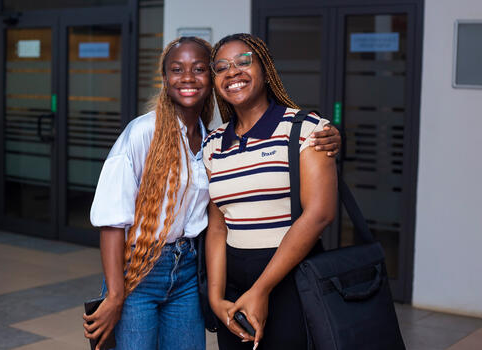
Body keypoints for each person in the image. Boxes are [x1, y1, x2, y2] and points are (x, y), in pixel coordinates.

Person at [83, 36, 341, 350]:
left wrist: (329, 136)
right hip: (144, 269)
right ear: (165, 79)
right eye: (177, 69)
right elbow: (114, 220)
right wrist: (115, 295)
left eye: (200, 68)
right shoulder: (158, 136)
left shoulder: (213, 140)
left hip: (193, 269)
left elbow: (315, 211)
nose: (188, 77)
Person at [203, 33, 338, 350]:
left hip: (291, 278)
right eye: (221, 67)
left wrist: (262, 289)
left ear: (265, 69)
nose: (232, 72)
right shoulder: (213, 144)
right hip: (233, 282)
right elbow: (218, 225)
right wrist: (216, 296)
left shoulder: (306, 129)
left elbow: (320, 214)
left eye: (243, 61)